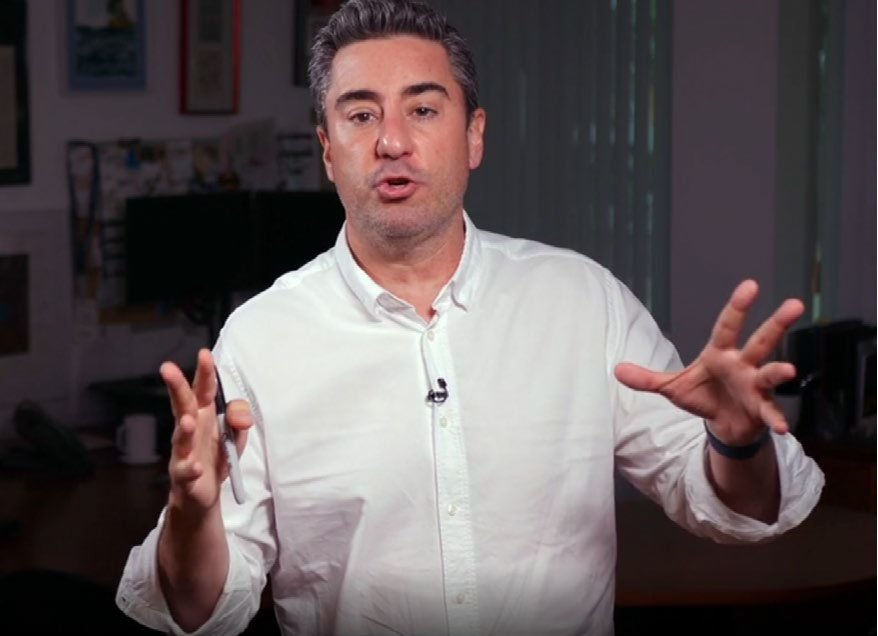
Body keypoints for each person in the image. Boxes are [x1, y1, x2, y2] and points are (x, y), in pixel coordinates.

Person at [116, 1, 824, 634]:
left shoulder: (582, 302)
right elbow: (201, 607)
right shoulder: (262, 338)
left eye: (423, 110)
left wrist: (737, 442)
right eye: (361, 115)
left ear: (474, 135)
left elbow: (732, 507)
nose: (392, 141)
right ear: (328, 150)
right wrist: (192, 518)